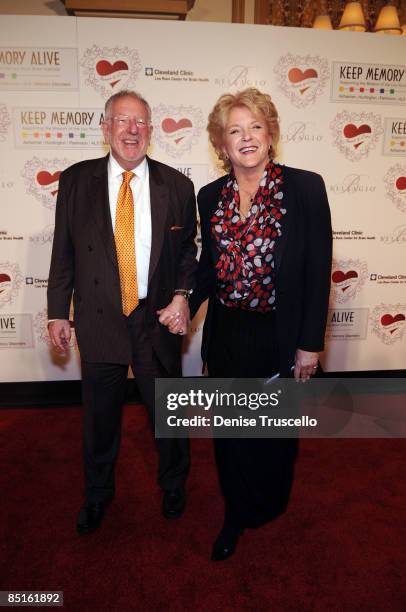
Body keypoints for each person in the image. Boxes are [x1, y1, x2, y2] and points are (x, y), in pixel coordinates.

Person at [190, 88, 332, 561]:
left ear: (270, 134)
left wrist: (309, 344)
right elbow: (208, 268)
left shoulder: (306, 188)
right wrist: (182, 303)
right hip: (229, 329)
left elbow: (317, 269)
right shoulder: (210, 196)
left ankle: (268, 503)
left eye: (254, 127)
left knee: (272, 432)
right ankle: (234, 514)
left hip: (280, 331)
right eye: (234, 130)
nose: (245, 137)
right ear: (221, 145)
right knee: (231, 432)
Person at [47, 90, 197, 534]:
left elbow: (188, 253)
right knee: (99, 419)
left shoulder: (178, 186)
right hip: (99, 316)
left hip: (155, 319)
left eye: (141, 123)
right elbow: (63, 252)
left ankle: (174, 484)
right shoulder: (75, 181)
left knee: (167, 415)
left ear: (151, 131)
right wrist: (58, 311)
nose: (132, 130)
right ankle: (97, 494)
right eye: (122, 121)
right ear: (106, 127)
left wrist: (182, 293)